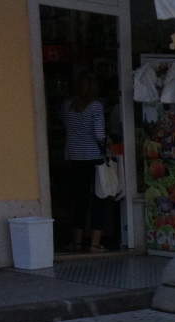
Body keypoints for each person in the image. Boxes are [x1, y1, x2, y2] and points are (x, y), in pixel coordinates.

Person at [61, 71, 107, 253]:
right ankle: (95, 243)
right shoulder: (96, 107)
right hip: (94, 157)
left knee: (79, 199)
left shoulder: (66, 105)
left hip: (74, 156)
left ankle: (77, 241)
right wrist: (106, 142)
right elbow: (99, 134)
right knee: (99, 198)